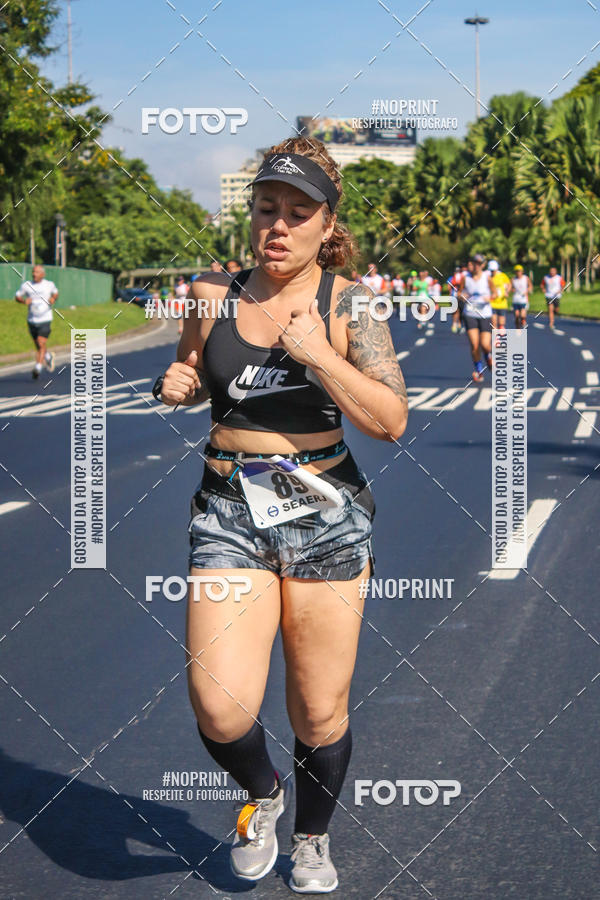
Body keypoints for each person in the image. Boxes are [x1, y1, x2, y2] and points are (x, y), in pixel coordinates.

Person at [152, 137, 408, 894]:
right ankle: (262, 795)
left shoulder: (348, 304)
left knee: (319, 708)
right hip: (229, 507)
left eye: (300, 213)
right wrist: (181, 383)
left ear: (327, 225)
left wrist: (321, 356)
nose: (279, 225)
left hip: (325, 510)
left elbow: (391, 420)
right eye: (268, 208)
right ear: (252, 213)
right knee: (221, 706)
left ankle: (314, 837)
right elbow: (201, 373)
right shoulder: (210, 293)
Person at [15, 265, 57, 379]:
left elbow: (55, 293)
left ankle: (38, 367)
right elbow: (17, 296)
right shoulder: (27, 285)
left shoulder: (49, 284)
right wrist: (24, 301)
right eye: (33, 272)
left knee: (41, 342)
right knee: (38, 345)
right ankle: (48, 357)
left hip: (45, 318)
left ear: (43, 274)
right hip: (32, 320)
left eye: (37, 272)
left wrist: (53, 298)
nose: (34, 274)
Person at [457, 253, 493, 382]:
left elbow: (494, 293)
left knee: (485, 344)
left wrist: (490, 297)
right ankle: (479, 370)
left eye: (478, 264)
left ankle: (488, 356)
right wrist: (462, 296)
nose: (476, 266)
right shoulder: (465, 278)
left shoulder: (487, 278)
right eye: (474, 263)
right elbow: (459, 293)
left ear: (482, 265)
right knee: (474, 344)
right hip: (470, 314)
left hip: (485, 314)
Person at [488, 260, 511, 332]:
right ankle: (496, 340)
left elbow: (509, 284)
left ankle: (501, 337)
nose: (492, 272)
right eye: (491, 271)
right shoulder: (488, 277)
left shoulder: (502, 276)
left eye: (493, 270)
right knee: (494, 324)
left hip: (502, 303)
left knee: (501, 324)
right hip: (492, 303)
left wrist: (507, 291)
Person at [512, 265, 532, 329]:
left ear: (522, 271)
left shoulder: (525, 278)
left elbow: (530, 286)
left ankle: (523, 320)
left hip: (523, 299)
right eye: (517, 271)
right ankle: (517, 328)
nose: (518, 273)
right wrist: (511, 290)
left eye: (519, 271)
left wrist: (527, 291)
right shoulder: (513, 279)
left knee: (522, 314)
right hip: (516, 300)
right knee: (517, 316)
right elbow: (510, 287)